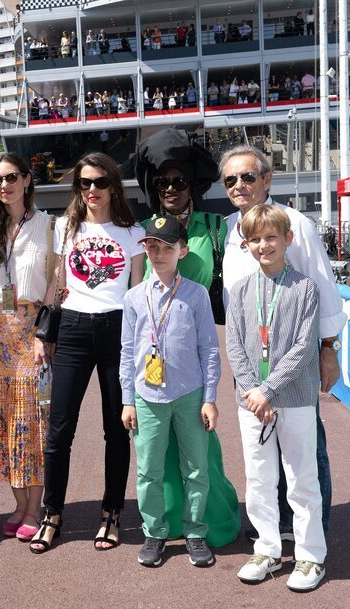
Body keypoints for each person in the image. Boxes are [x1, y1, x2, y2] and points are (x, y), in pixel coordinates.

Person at [219, 145, 345, 543]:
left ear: (267, 179)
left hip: (295, 357)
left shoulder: (295, 224)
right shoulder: (227, 229)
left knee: (307, 449)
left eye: (248, 177)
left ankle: (313, 532)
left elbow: (320, 286)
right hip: (252, 363)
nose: (239, 185)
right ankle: (273, 527)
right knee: (262, 450)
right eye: (231, 180)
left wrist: (329, 349)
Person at [30, 152, 146, 554]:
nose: (92, 190)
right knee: (59, 431)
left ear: (114, 185)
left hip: (119, 330)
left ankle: (112, 513)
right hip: (74, 329)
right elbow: (57, 282)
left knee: (117, 430)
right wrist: (40, 334)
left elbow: (137, 291)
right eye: (85, 183)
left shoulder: (134, 232)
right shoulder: (65, 226)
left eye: (100, 182)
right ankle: (52, 514)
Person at [134, 129, 240, 549]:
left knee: (202, 452)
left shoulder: (216, 227)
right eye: (163, 182)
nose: (172, 189)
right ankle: (167, 524)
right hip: (151, 364)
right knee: (159, 455)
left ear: (192, 184)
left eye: (179, 181)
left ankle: (213, 523)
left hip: (194, 360)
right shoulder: (142, 233)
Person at [226, 203, 326, 592]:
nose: (263, 245)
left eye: (271, 237)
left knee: (302, 479)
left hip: (295, 398)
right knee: (259, 478)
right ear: (245, 244)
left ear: (288, 239)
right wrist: (253, 390)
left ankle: (310, 556)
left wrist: (268, 389)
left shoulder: (306, 288)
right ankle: (266, 548)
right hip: (251, 402)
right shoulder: (240, 289)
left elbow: (303, 348)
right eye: (255, 239)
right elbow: (234, 344)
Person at [120, 216, 220, 568]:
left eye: (166, 247)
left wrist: (209, 398)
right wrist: (127, 400)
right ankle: (155, 532)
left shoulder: (196, 295)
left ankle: (195, 533)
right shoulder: (133, 298)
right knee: (149, 469)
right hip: (147, 398)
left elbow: (209, 348)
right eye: (152, 246)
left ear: (183, 250)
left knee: (196, 468)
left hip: (189, 394)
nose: (158, 254)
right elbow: (127, 351)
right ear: (144, 250)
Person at [0, 153, 53, 542]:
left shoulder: (48, 226)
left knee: (32, 419)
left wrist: (44, 333)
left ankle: (35, 506)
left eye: (11, 177)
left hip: (30, 332)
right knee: (1, 420)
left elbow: (55, 283)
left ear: (26, 180)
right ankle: (17, 503)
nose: (4, 185)